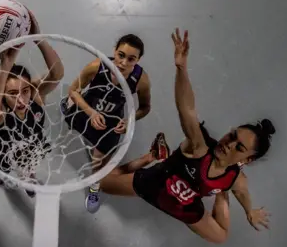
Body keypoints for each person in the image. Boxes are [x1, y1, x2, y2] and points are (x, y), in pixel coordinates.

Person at [98, 28, 274, 244]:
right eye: (232, 135)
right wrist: (181, 68)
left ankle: (220, 192)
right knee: (101, 184)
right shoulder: (199, 146)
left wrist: (250, 211)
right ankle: (149, 158)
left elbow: (243, 194)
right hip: (155, 184)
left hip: (186, 207)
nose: (229, 144)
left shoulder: (236, 179)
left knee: (221, 237)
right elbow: (187, 109)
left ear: (246, 160)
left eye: (239, 148)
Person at [60, 34, 152, 213]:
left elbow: (146, 108)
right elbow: (73, 89)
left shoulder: (141, 80)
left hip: (111, 123)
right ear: (114, 52)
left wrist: (129, 122)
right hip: (88, 110)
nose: (123, 62)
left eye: (131, 59)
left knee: (99, 165)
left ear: (138, 60)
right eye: (121, 55)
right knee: (71, 109)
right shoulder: (96, 66)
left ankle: (94, 189)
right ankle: (68, 106)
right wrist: (91, 112)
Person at [0, 9, 65, 197]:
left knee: (28, 165)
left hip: (30, 144)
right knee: (0, 168)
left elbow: (57, 74)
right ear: (3, 95)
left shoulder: (35, 97)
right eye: (12, 93)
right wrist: (6, 64)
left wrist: (39, 38)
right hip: (5, 148)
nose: (21, 99)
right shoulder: (0, 111)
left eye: (25, 91)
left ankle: (28, 178)